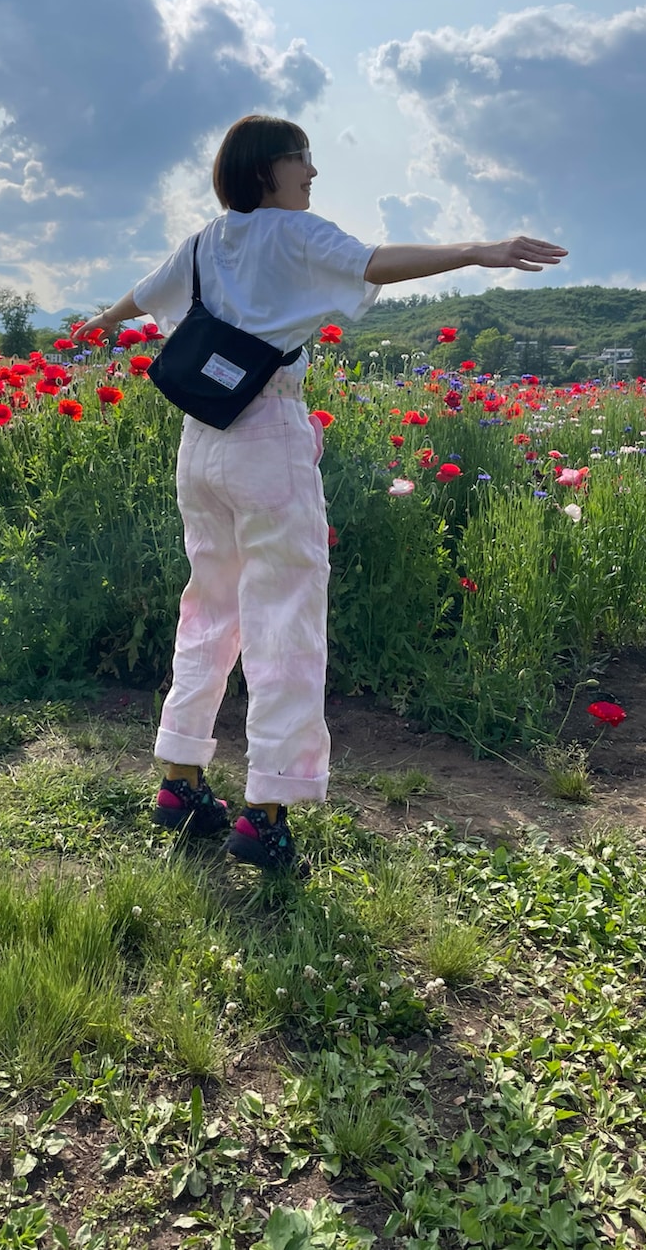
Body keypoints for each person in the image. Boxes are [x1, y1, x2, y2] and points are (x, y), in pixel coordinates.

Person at [79, 114, 567, 877]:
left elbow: (140, 300)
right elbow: (377, 261)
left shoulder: (207, 242)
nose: (312, 174)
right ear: (266, 169)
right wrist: (478, 249)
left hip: (200, 442)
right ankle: (265, 813)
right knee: (285, 620)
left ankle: (180, 783)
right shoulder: (293, 233)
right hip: (265, 433)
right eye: (301, 160)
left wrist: (93, 326)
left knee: (209, 605)